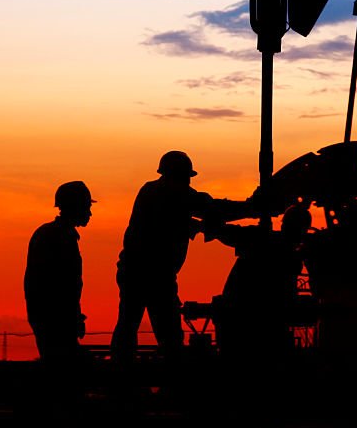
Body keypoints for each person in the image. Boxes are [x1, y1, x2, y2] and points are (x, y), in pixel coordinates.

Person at [111, 151, 254, 364]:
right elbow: (213, 209)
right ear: (178, 175)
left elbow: (197, 214)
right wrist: (252, 207)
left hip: (136, 271)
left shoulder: (152, 192)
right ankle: (169, 381)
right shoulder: (175, 194)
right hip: (154, 274)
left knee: (128, 325)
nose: (189, 182)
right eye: (187, 177)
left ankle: (122, 373)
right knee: (168, 333)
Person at [210, 205, 311, 359]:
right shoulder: (278, 249)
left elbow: (230, 234)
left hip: (244, 322)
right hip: (248, 322)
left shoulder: (272, 244)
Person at [24, 181, 94, 364]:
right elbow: (61, 285)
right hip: (54, 320)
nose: (90, 213)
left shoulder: (52, 234)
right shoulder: (58, 237)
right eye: (87, 207)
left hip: (50, 318)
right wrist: (71, 318)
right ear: (75, 207)